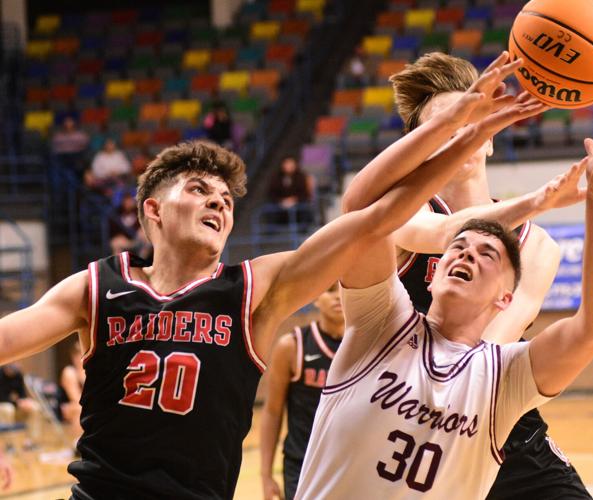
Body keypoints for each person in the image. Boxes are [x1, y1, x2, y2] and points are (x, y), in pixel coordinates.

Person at [0, 53, 542, 498]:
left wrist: (464, 133)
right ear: (152, 211)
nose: (217, 203)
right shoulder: (97, 286)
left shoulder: (255, 289)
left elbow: (371, 218)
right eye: (197, 191)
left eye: (225, 199)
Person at [295, 105, 593, 498]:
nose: (466, 254)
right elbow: (364, 209)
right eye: (457, 247)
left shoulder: (501, 371)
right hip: (403, 375)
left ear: (503, 296)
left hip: (485, 411)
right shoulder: (382, 317)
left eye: (487, 255)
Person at [260, 284, 344, 500]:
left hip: (347, 464)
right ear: (316, 298)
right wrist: (266, 474)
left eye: (343, 290)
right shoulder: (292, 346)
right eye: (330, 291)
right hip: (302, 465)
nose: (337, 298)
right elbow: (272, 412)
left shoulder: (367, 347)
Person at [0, 364, 41, 449]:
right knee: (8, 409)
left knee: (34, 407)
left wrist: (25, 401)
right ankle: (9, 444)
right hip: (4, 407)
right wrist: (17, 402)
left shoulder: (18, 374)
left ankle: (30, 442)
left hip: (14, 405)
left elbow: (22, 394)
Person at [266, 156, 315, 226]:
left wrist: (294, 199)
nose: (289, 166)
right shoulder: (276, 178)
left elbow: (305, 193)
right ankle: (272, 232)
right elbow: (272, 193)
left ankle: (303, 229)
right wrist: (282, 201)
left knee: (306, 209)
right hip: (280, 204)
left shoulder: (302, 177)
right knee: (270, 209)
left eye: (291, 164)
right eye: (287, 164)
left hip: (299, 203)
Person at [59, 339, 85, 439]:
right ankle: (79, 445)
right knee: (81, 409)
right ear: (73, 357)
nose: (81, 358)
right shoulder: (69, 372)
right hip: (66, 407)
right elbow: (76, 399)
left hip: (80, 405)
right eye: (78, 355)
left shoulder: (88, 371)